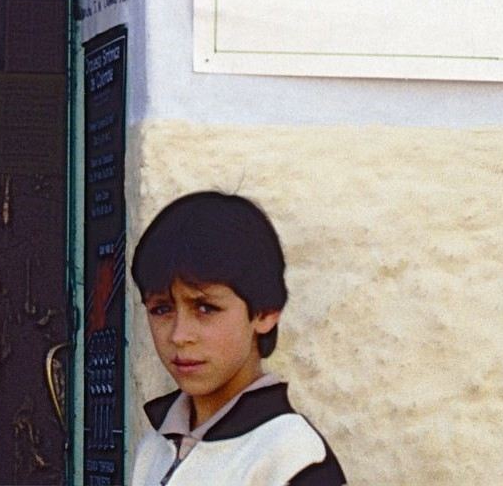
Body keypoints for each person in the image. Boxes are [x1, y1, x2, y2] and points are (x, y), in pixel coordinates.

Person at [128, 191, 344, 486]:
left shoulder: (293, 458)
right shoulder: (153, 449)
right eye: (161, 309)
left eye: (205, 308)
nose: (179, 336)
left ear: (265, 313)